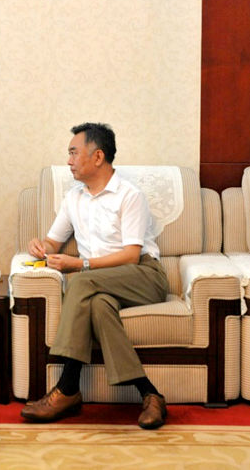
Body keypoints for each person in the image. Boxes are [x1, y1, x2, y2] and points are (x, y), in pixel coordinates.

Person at [20, 122, 171, 429]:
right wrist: (40, 247)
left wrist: (80, 265)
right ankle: (150, 394)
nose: (69, 161)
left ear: (98, 156)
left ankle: (67, 387)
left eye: (74, 153)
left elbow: (131, 255)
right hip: (102, 285)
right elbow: (52, 242)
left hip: (143, 276)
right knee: (98, 305)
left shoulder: (129, 195)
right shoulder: (74, 198)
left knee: (81, 280)